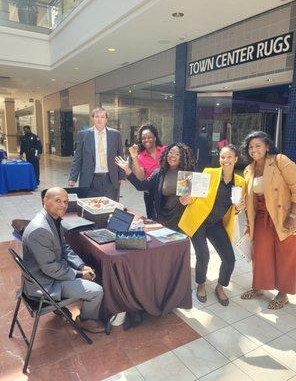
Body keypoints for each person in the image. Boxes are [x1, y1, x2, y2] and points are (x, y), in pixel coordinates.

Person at [22, 187, 104, 333]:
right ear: (45, 201)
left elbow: (64, 247)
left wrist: (81, 266)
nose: (63, 205)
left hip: (50, 273)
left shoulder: (53, 219)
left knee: (89, 271)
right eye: (58, 201)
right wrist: (79, 275)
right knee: (97, 290)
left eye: (65, 202)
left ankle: (66, 306)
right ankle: (86, 320)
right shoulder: (40, 229)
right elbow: (51, 269)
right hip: (45, 284)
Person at [239, 131, 296, 309]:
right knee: (260, 252)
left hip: (285, 215)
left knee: (286, 254)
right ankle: (259, 286)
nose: (254, 149)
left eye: (258, 145)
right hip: (261, 217)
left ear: (267, 146)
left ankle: (283, 293)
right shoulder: (249, 169)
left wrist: (293, 215)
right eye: (250, 147)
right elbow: (249, 197)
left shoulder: (280, 161)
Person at [179, 145, 245, 306]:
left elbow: (235, 208)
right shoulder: (210, 173)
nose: (226, 160)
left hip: (216, 223)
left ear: (236, 159)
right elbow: (195, 194)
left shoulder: (240, 182)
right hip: (199, 220)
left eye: (229, 157)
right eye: (223, 157)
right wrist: (187, 198)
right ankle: (201, 284)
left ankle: (220, 286)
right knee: (204, 255)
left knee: (229, 259)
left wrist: (238, 208)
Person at [115, 143, 196, 230]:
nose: (173, 156)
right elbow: (141, 186)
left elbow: (190, 199)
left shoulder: (186, 175)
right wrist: (127, 169)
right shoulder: (159, 173)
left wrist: (191, 197)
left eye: (177, 154)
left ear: (183, 157)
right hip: (162, 218)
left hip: (180, 220)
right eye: (171, 152)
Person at [68, 107, 125, 201]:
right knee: (90, 208)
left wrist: (122, 176)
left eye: (102, 117)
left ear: (106, 119)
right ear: (92, 118)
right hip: (90, 180)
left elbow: (120, 156)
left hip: (110, 179)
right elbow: (78, 158)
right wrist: (73, 178)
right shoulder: (83, 135)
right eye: (97, 116)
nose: (99, 119)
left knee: (110, 208)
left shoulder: (115, 135)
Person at [129, 124, 166, 218]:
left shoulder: (165, 150)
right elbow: (141, 178)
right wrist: (135, 158)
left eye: (149, 137)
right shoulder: (140, 157)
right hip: (150, 194)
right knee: (153, 220)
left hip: (167, 191)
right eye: (143, 138)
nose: (146, 140)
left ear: (155, 137)